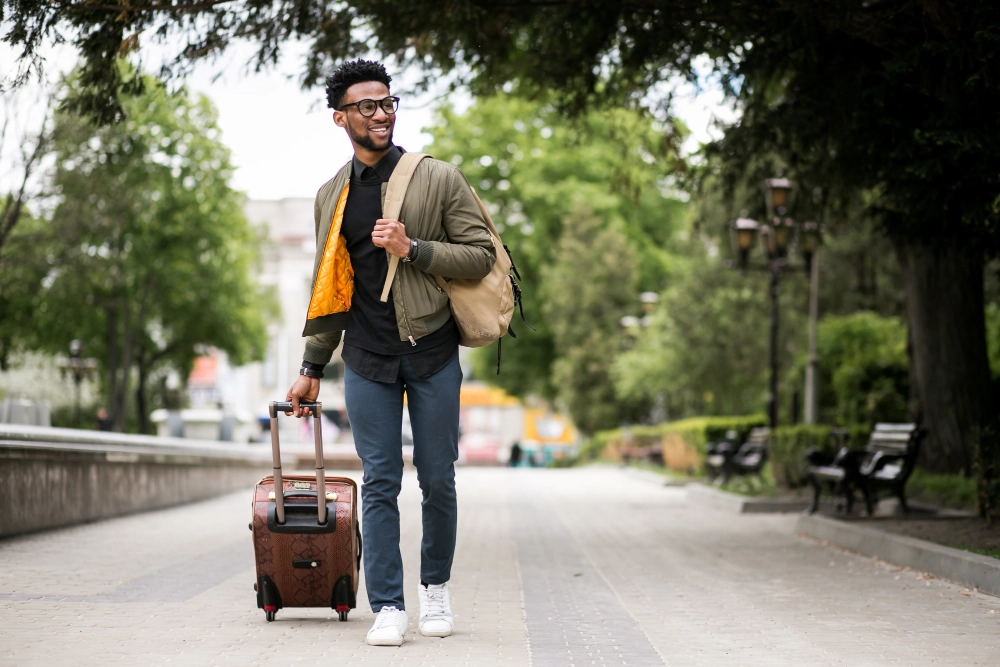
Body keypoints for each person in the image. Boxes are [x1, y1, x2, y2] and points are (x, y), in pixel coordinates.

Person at [284, 59, 495, 647]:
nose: (382, 114)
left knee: (439, 480)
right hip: (366, 358)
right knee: (378, 483)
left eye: (388, 103)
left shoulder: (436, 178)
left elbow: (480, 255)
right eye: (368, 107)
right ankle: (388, 606)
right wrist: (310, 368)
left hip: (432, 350)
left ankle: (434, 590)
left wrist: (415, 247)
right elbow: (332, 287)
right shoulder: (332, 195)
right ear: (340, 118)